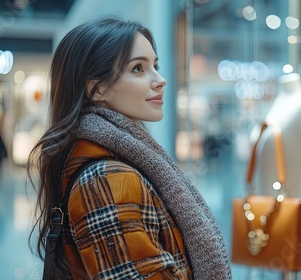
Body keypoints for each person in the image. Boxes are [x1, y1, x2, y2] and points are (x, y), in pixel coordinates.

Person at [29, 17, 232, 279]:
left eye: (155, 66)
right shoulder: (105, 179)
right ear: (97, 89)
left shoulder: (117, 161)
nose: (160, 80)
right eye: (138, 68)